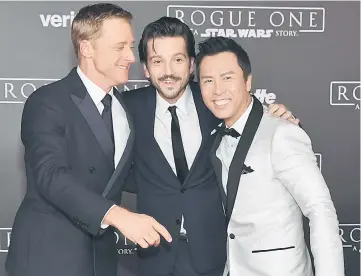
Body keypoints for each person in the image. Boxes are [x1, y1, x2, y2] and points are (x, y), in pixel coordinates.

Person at [122, 16, 299, 276]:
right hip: (155, 255)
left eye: (178, 60)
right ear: (146, 68)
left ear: (192, 65)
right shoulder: (126, 107)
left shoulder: (215, 100)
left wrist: (284, 119)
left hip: (214, 254)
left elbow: (260, 129)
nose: (168, 71)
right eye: (158, 61)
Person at [5, 4, 171, 276]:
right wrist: (120, 216)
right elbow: (50, 175)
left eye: (130, 46)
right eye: (119, 47)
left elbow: (129, 176)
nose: (130, 56)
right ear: (86, 48)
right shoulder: (47, 102)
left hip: (100, 259)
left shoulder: (125, 107)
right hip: (48, 259)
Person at [196, 36, 345, 276]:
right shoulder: (215, 138)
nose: (218, 89)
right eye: (208, 81)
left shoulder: (281, 132)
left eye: (227, 78)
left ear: (247, 82)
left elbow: (320, 209)